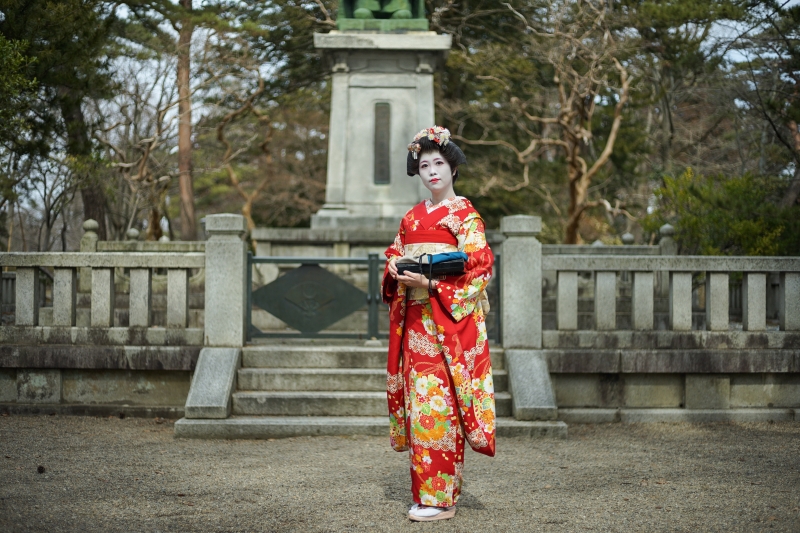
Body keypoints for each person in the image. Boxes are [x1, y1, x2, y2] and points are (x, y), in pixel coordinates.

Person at [382, 126, 496, 522]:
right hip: (415, 323)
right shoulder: (412, 216)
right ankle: (429, 494)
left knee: (441, 407)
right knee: (420, 407)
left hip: (447, 325)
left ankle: (440, 500)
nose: (432, 171)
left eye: (439, 164)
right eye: (425, 164)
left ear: (452, 169)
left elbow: (480, 266)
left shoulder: (465, 215)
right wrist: (394, 266)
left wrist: (431, 283)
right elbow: (394, 252)